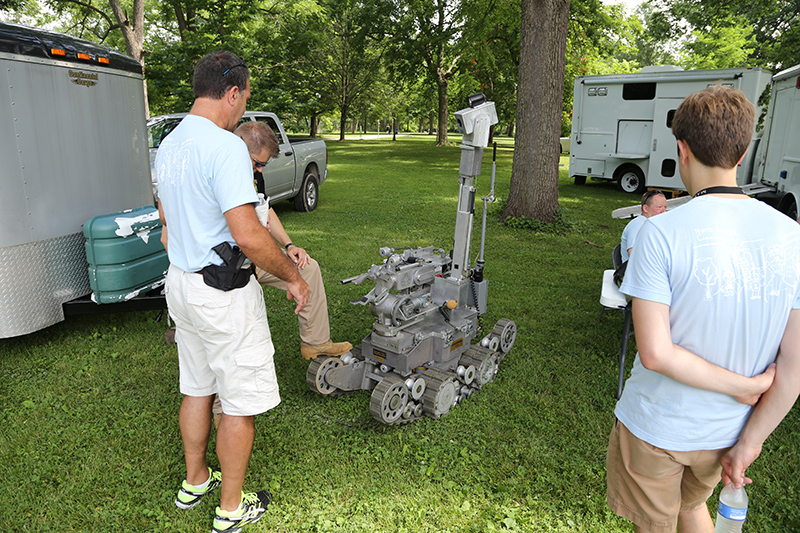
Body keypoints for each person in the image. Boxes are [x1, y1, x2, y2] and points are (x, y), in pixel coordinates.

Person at [607, 84, 800, 533]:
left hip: (658, 428)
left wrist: (743, 386)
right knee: (692, 509)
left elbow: (655, 353)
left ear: (682, 148)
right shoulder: (792, 238)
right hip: (727, 434)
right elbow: (792, 370)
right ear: (743, 150)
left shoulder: (658, 233)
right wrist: (749, 443)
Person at [156, 51, 309, 533]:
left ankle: (195, 479)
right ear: (233, 93)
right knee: (239, 402)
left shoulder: (171, 143)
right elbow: (247, 234)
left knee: (197, 387)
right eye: (245, 97)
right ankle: (230, 509)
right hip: (222, 294)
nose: (244, 107)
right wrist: (293, 275)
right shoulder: (223, 147)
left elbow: (166, 221)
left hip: (180, 285)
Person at [234, 121, 352, 360]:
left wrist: (289, 246)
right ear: (238, 150)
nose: (260, 170)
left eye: (264, 165)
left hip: (255, 256)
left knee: (307, 268)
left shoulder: (253, 174)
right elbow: (246, 237)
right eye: (258, 163)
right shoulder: (228, 177)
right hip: (232, 265)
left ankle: (316, 343)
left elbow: (265, 208)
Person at [619, 189, 667, 262]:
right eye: (659, 207)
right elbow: (633, 255)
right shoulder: (638, 224)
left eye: (665, 207)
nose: (664, 211)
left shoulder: (652, 225)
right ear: (646, 208)